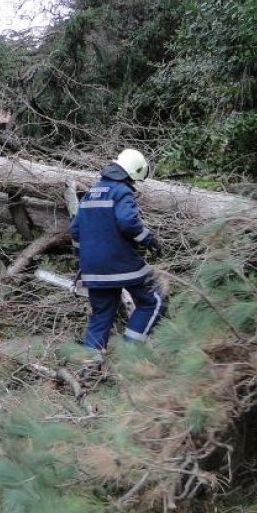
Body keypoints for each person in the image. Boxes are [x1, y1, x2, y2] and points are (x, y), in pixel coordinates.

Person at [69, 148, 167, 366]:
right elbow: (128, 222)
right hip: (122, 264)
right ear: (134, 172)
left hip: (92, 269)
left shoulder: (90, 193)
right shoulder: (121, 191)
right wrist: (150, 240)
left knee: (101, 315)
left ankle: (89, 369)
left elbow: (75, 231)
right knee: (154, 300)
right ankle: (128, 354)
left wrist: (82, 258)